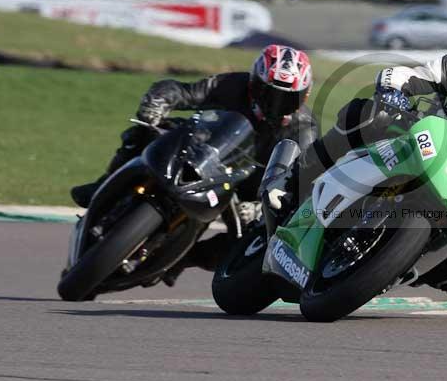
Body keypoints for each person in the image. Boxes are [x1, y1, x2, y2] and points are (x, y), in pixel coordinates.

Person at [269, 19, 447, 295]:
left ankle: (385, 271)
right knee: (367, 115)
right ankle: (295, 178)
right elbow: (417, 75)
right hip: (419, 140)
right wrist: (394, 90)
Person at [70, 45, 318, 280]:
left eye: (286, 99)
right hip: (204, 150)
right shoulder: (232, 85)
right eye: (268, 93)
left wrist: (259, 206)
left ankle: (186, 258)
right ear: (253, 82)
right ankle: (101, 186)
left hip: (248, 182)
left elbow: (299, 181)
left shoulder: (304, 128)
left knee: (257, 235)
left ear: (303, 97)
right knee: (146, 132)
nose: (274, 104)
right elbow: (183, 91)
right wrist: (158, 103)